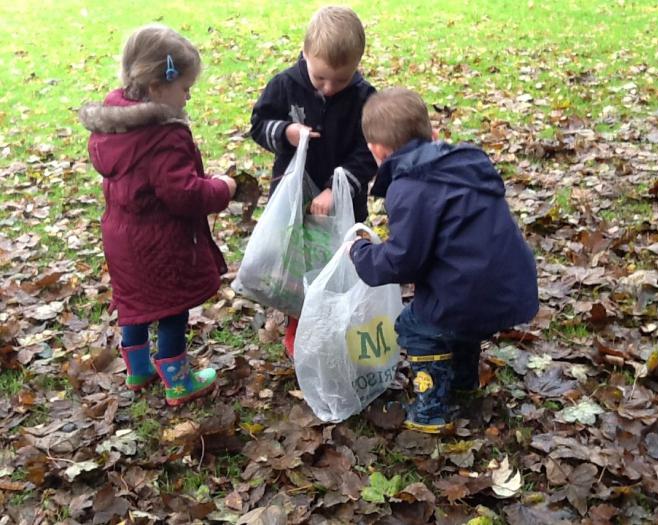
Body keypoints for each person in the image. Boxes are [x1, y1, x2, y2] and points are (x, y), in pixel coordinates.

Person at [350, 88, 539, 433]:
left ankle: (430, 408)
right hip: (509, 287)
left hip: (466, 293)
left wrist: (362, 255)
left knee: (414, 326)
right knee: (456, 320)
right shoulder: (467, 164)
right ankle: (464, 381)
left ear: (377, 151)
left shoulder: (408, 188)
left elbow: (406, 261)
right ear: (433, 135)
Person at [79, 25, 237, 406]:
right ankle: (178, 380)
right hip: (159, 242)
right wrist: (222, 188)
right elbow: (183, 194)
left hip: (120, 239)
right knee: (171, 308)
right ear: (156, 88)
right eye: (184, 89)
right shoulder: (162, 136)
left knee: (133, 302)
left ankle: (137, 368)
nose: (187, 97)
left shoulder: (113, 125)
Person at [249, 6, 376, 358]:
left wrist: (336, 190)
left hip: (342, 203)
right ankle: (298, 326)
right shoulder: (285, 85)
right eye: (321, 78)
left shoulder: (364, 98)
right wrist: (286, 132)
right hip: (293, 201)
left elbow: (369, 153)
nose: (330, 87)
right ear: (305, 53)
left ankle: (338, 324)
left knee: (339, 264)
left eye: (341, 79)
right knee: (299, 267)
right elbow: (259, 124)